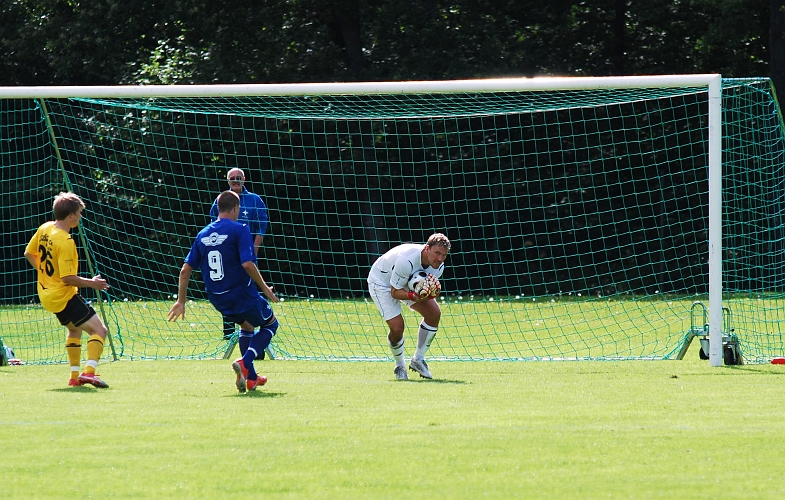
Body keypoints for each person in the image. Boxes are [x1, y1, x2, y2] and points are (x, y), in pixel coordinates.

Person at [169, 190, 279, 393]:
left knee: (247, 326)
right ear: (236, 208)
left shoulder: (203, 234)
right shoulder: (240, 229)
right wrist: (264, 289)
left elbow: (185, 270)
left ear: (218, 209)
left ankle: (251, 378)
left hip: (217, 297)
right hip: (241, 294)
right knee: (271, 324)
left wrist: (181, 301)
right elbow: (247, 263)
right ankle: (245, 363)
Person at [24, 192, 111, 388]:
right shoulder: (65, 241)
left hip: (47, 295)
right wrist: (93, 283)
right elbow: (68, 278)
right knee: (99, 330)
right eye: (79, 213)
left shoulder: (45, 228)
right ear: (71, 215)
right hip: (63, 295)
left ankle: (74, 377)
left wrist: (45, 273)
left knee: (74, 330)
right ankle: (89, 372)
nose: (81, 216)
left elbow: (29, 253)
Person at [367, 233, 451, 380]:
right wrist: (414, 296)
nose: (440, 259)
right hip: (382, 282)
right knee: (397, 327)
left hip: (406, 282)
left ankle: (418, 360)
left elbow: (422, 288)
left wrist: (430, 293)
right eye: (437, 253)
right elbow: (394, 292)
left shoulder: (439, 267)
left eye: (443, 255)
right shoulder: (407, 260)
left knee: (434, 314)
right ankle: (399, 366)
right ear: (427, 249)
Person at [209, 167, 269, 345]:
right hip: (227, 255)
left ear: (244, 179)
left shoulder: (254, 200)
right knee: (227, 290)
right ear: (228, 181)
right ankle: (229, 335)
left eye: (238, 178)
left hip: (247, 257)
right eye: (232, 178)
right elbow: (214, 224)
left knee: (251, 291)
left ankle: (256, 332)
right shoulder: (221, 200)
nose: (235, 180)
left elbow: (262, 225)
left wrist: (254, 248)